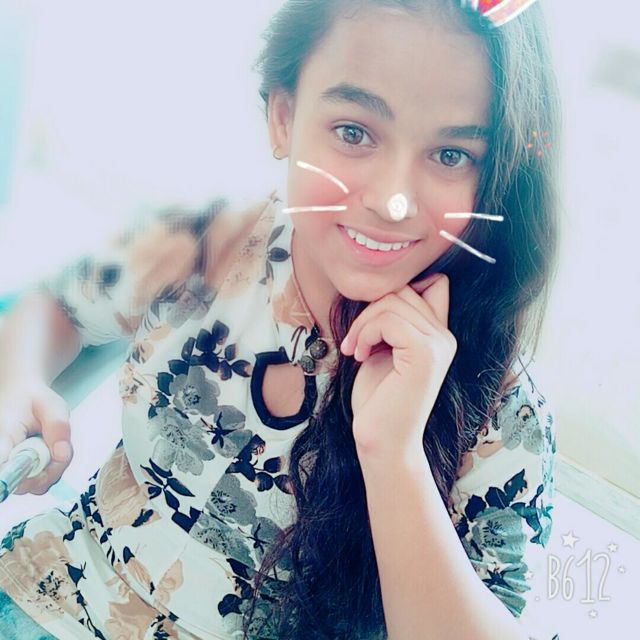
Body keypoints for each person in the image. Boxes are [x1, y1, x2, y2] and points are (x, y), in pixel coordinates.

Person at [0, 0, 561, 638]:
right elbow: (57, 305)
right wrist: (18, 382)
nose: (393, 201)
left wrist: (394, 456)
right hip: (48, 592)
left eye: (452, 155)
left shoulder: (502, 410)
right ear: (284, 117)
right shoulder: (206, 241)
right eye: (354, 132)